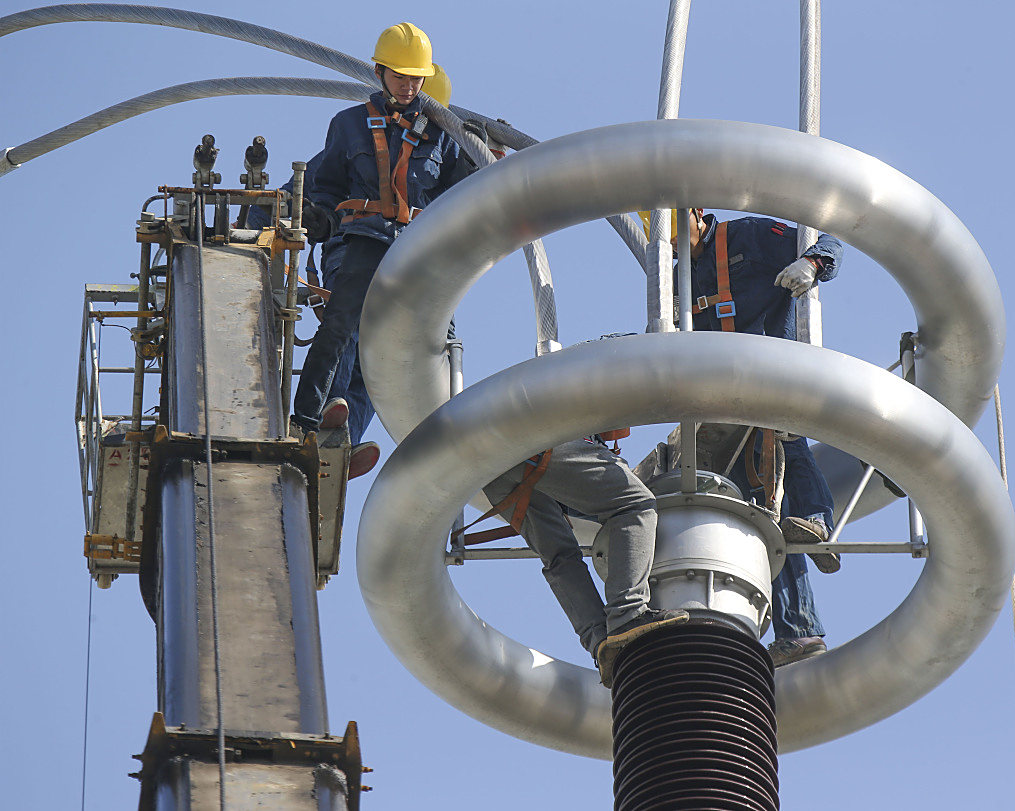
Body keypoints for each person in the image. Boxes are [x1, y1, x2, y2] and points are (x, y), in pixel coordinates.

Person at [643, 207, 844, 667]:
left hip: (773, 372)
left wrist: (811, 265)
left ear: (696, 214)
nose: (672, 240)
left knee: (786, 444)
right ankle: (800, 630)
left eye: (675, 228)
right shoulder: (681, 276)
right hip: (729, 399)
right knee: (765, 516)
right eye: (663, 235)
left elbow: (825, 239)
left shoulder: (748, 237)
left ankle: (819, 520)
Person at [251, 64, 454, 476]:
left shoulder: (443, 144)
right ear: (383, 76)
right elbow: (310, 189)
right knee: (351, 324)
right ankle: (327, 406)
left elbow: (471, 195)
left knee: (385, 361)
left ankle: (345, 440)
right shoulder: (354, 128)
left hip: (414, 260)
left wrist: (490, 158)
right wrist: (274, 221)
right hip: (355, 245)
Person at [476, 438, 688, 688]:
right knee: (635, 505)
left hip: (487, 462)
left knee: (559, 555)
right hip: (534, 437)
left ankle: (600, 642)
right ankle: (628, 614)